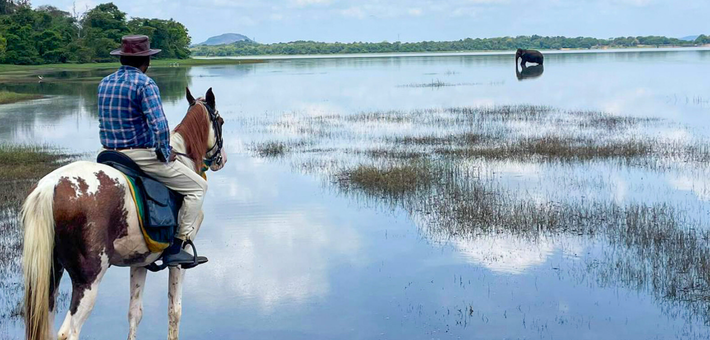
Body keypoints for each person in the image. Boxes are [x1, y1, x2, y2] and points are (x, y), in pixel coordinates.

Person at [97, 35, 207, 267]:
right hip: (138, 155)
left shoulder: (105, 82)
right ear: (147, 60)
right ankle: (177, 246)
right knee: (198, 187)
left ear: (121, 59)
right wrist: (166, 152)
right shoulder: (145, 84)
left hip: (107, 154)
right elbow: (159, 127)